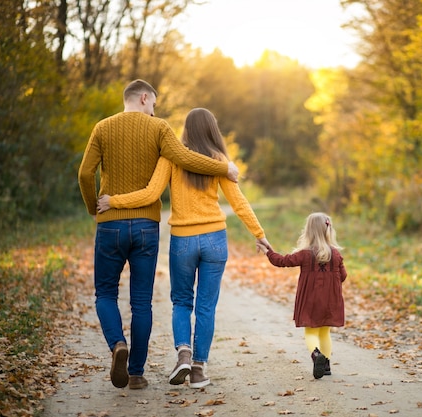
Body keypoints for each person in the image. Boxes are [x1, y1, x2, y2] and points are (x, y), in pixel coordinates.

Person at [78, 80, 240, 390]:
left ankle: (117, 345)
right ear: (143, 98)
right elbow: (186, 158)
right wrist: (224, 168)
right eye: (153, 103)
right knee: (142, 303)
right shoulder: (159, 128)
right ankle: (136, 372)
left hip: (110, 224)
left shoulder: (102, 127)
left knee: (105, 293)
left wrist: (93, 208)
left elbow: (85, 174)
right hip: (145, 227)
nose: (154, 110)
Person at [96, 107, 271, 389]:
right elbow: (239, 202)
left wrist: (113, 201)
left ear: (186, 130)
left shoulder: (172, 158)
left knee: (181, 301)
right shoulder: (219, 161)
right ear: (213, 130)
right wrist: (259, 234)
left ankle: (184, 354)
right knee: (206, 306)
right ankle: (199, 369)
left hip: (183, 240)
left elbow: (151, 194)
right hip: (215, 238)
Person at [255, 212, 347, 379]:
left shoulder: (305, 254)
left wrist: (267, 250)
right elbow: (343, 276)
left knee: (311, 332)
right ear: (329, 230)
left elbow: (281, 261)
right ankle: (326, 365)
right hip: (330, 300)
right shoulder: (336, 254)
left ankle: (316, 355)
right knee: (325, 332)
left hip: (311, 299)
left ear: (308, 231)